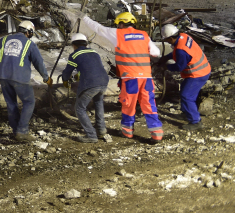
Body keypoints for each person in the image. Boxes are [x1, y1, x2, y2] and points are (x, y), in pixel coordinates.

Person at [65, 11, 164, 142]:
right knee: (149, 104)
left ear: (121, 23)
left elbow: (99, 29)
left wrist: (85, 18)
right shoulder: (144, 35)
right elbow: (156, 53)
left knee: (129, 104)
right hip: (146, 78)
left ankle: (127, 131)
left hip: (130, 78)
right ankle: (156, 133)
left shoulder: (118, 34)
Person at [0, 20, 52, 142]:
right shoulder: (29, 44)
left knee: (11, 104)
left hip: (4, 78)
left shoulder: (3, 40)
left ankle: (15, 131)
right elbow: (38, 62)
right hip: (20, 78)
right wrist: (46, 78)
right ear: (29, 32)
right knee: (29, 102)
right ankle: (22, 132)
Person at [158, 24, 211, 130]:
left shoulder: (181, 50)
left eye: (167, 40)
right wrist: (166, 57)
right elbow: (177, 51)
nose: (167, 42)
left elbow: (179, 66)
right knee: (185, 91)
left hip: (198, 74)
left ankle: (196, 122)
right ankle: (187, 113)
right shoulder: (183, 36)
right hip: (202, 69)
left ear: (171, 38)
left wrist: (166, 67)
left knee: (186, 96)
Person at [61, 33, 110, 143]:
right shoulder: (94, 52)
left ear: (74, 45)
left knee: (79, 109)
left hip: (90, 83)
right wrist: (80, 73)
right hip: (103, 81)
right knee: (98, 103)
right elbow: (92, 67)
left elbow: (67, 71)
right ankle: (101, 130)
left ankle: (91, 135)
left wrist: (65, 80)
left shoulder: (74, 55)